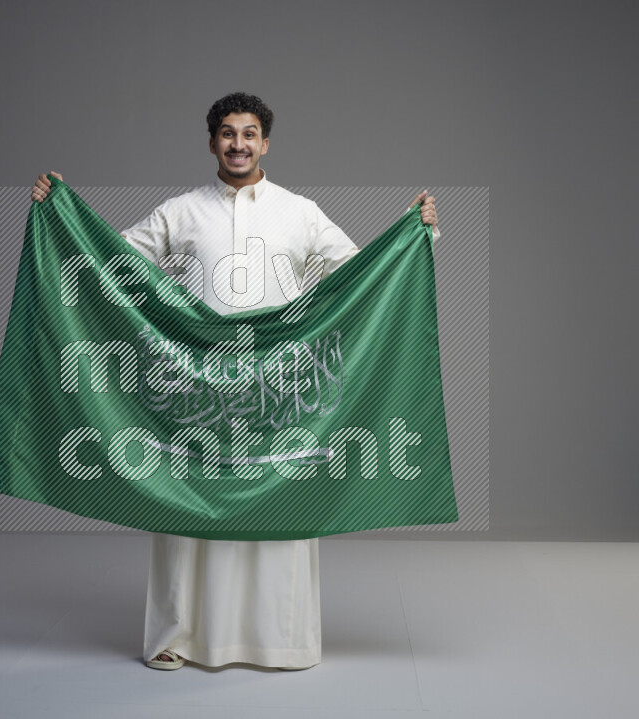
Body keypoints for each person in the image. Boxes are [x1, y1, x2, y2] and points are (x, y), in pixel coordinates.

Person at [30, 92, 440, 671]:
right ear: (212, 142)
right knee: (184, 509)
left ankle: (281, 640)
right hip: (192, 386)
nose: (239, 144)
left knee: (279, 507)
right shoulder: (182, 211)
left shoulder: (299, 212)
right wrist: (58, 215)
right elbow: (104, 262)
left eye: (249, 134)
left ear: (266, 142)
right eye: (227, 133)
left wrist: (413, 238)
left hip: (279, 389)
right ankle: (174, 637)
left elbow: (360, 270)